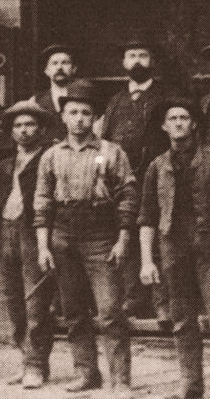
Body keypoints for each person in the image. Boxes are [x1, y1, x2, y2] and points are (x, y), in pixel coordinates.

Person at [139, 97, 210, 399]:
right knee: (182, 318)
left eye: (184, 118)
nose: (178, 123)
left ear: (193, 124)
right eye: (172, 118)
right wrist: (147, 260)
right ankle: (191, 387)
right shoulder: (157, 166)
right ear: (164, 126)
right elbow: (148, 216)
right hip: (173, 248)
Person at [34, 80, 138, 395]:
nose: (79, 118)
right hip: (63, 236)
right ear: (63, 117)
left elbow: (128, 197)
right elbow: (42, 201)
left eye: (85, 113)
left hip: (100, 235)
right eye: (73, 112)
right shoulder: (51, 155)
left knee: (109, 312)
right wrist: (43, 246)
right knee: (74, 311)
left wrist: (122, 239)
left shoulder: (111, 152)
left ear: (94, 118)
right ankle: (86, 373)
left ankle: (120, 379)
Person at [0, 101, 55, 389]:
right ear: (11, 131)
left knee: (36, 301)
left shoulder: (49, 159)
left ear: (42, 129)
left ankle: (36, 365)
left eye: (30, 125)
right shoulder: (3, 167)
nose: (24, 131)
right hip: (6, 233)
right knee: (14, 301)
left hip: (33, 232)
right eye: (18, 126)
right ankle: (26, 359)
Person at [101, 38, 179, 320]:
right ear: (124, 63)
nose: (137, 61)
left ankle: (162, 303)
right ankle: (133, 298)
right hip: (122, 180)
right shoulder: (116, 101)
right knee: (126, 235)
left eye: (143, 55)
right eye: (131, 55)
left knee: (157, 236)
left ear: (152, 61)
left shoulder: (165, 96)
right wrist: (101, 172)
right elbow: (103, 143)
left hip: (158, 176)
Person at [30, 43, 79, 144]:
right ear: (46, 71)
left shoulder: (82, 99)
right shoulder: (35, 102)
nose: (59, 67)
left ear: (74, 69)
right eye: (54, 63)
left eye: (65, 63)